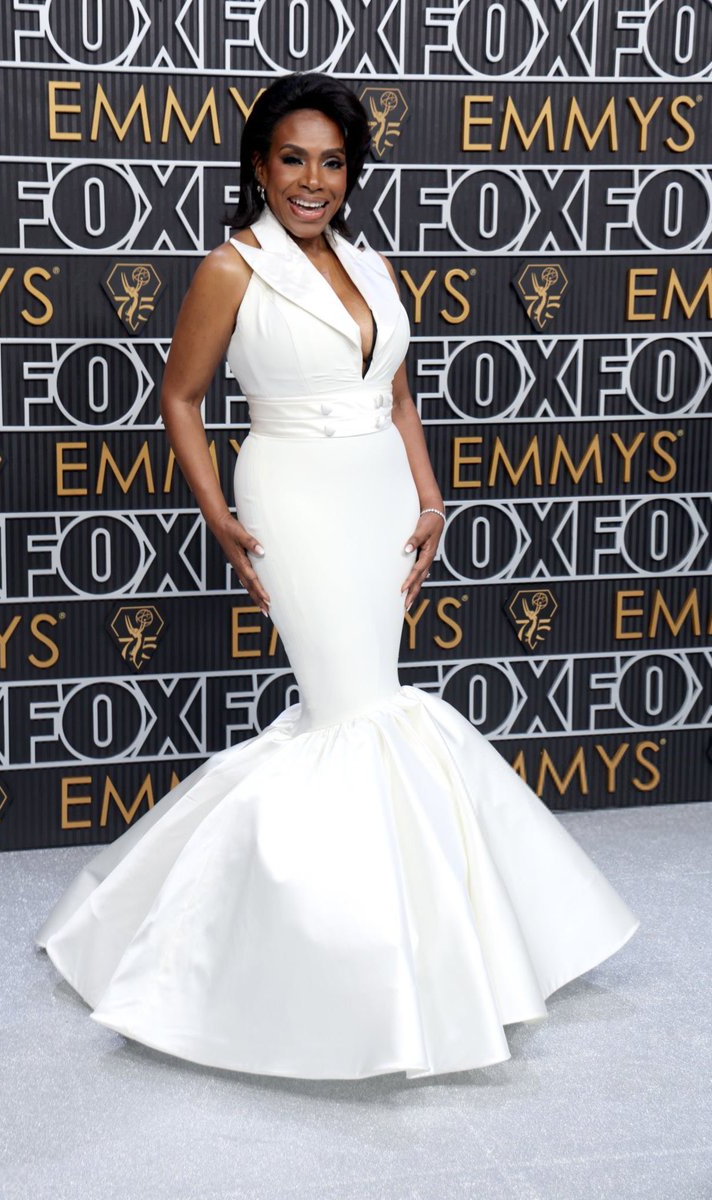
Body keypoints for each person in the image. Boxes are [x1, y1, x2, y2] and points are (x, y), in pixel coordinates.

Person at [36, 72, 639, 1081]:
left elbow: (394, 394)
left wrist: (430, 498)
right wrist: (217, 515)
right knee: (353, 714)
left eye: (330, 161)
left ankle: (394, 955)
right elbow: (179, 397)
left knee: (356, 717)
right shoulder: (232, 267)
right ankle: (328, 984)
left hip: (377, 502)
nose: (310, 180)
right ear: (258, 166)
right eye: (290, 159)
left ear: (349, 171)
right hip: (292, 497)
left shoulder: (369, 260)